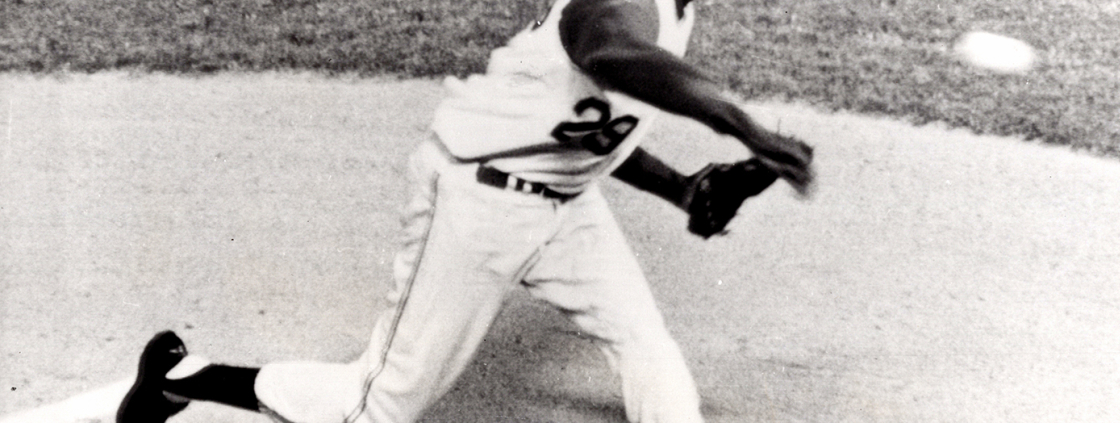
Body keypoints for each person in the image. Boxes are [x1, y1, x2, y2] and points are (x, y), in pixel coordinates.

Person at [116, 0, 814, 422]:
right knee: (380, 407)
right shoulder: (618, 4)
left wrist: (682, 188)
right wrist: (740, 123)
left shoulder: (677, 13)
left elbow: (576, 126)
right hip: (475, 203)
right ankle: (183, 377)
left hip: (566, 206)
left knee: (644, 344)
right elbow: (610, 49)